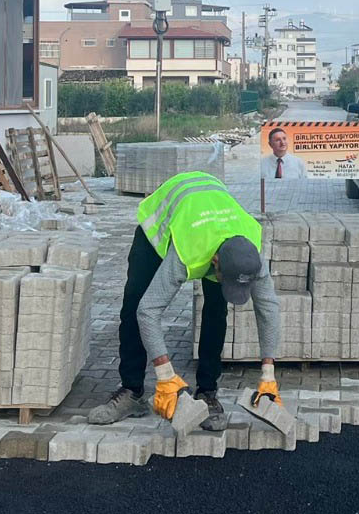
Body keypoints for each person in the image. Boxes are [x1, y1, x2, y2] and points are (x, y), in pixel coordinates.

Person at [89, 171, 282, 430]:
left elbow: (268, 309)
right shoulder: (189, 249)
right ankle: (131, 391)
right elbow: (149, 311)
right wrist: (165, 375)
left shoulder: (251, 250)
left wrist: (268, 374)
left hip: (210, 218)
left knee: (216, 309)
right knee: (136, 303)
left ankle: (207, 392)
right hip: (160, 228)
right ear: (215, 263)